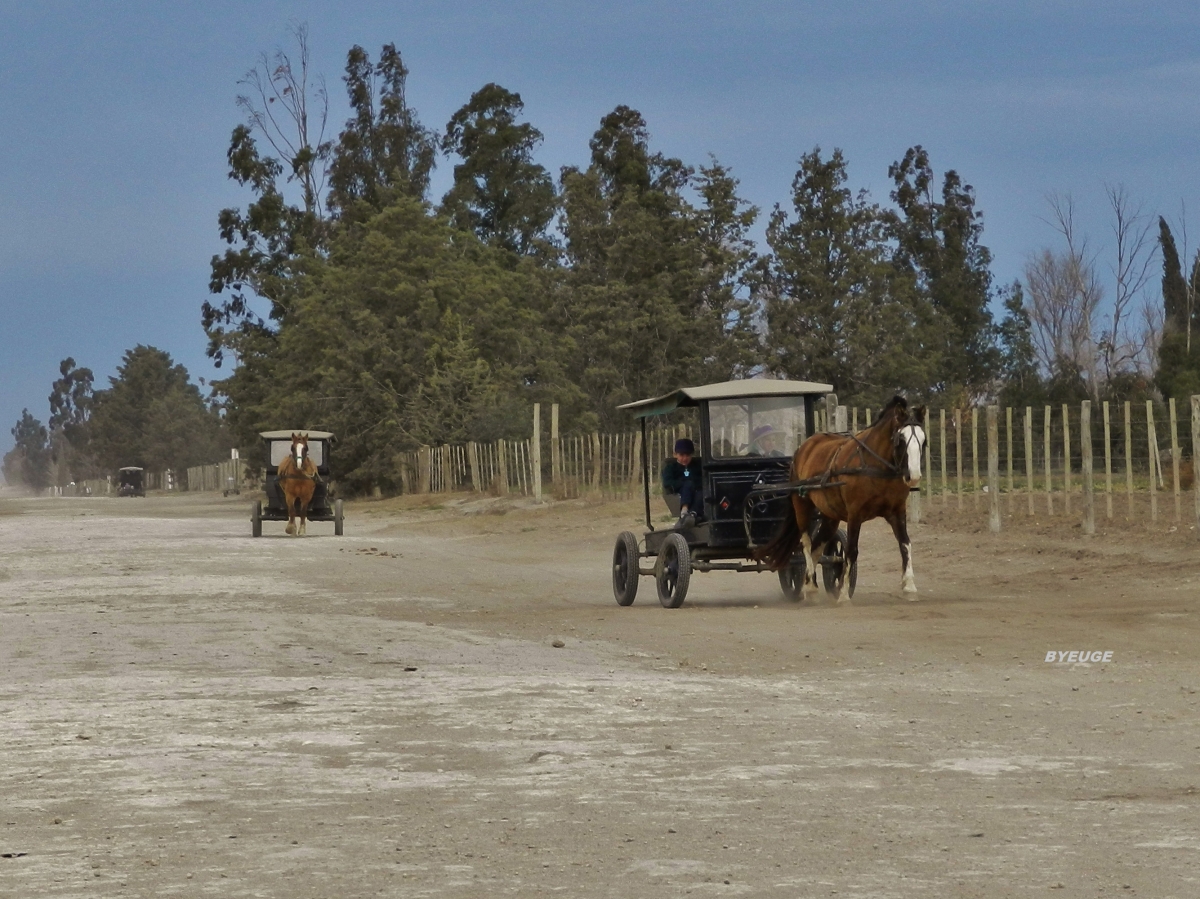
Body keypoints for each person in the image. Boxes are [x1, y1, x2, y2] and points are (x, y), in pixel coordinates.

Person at [661, 438, 703, 527]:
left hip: (697, 491)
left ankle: (693, 514)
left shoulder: (697, 466)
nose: (685, 458)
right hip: (679, 492)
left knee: (701, 492)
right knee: (688, 485)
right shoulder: (671, 467)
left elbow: (703, 479)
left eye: (687, 455)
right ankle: (684, 511)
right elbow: (667, 482)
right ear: (675, 454)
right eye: (681, 455)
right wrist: (684, 483)